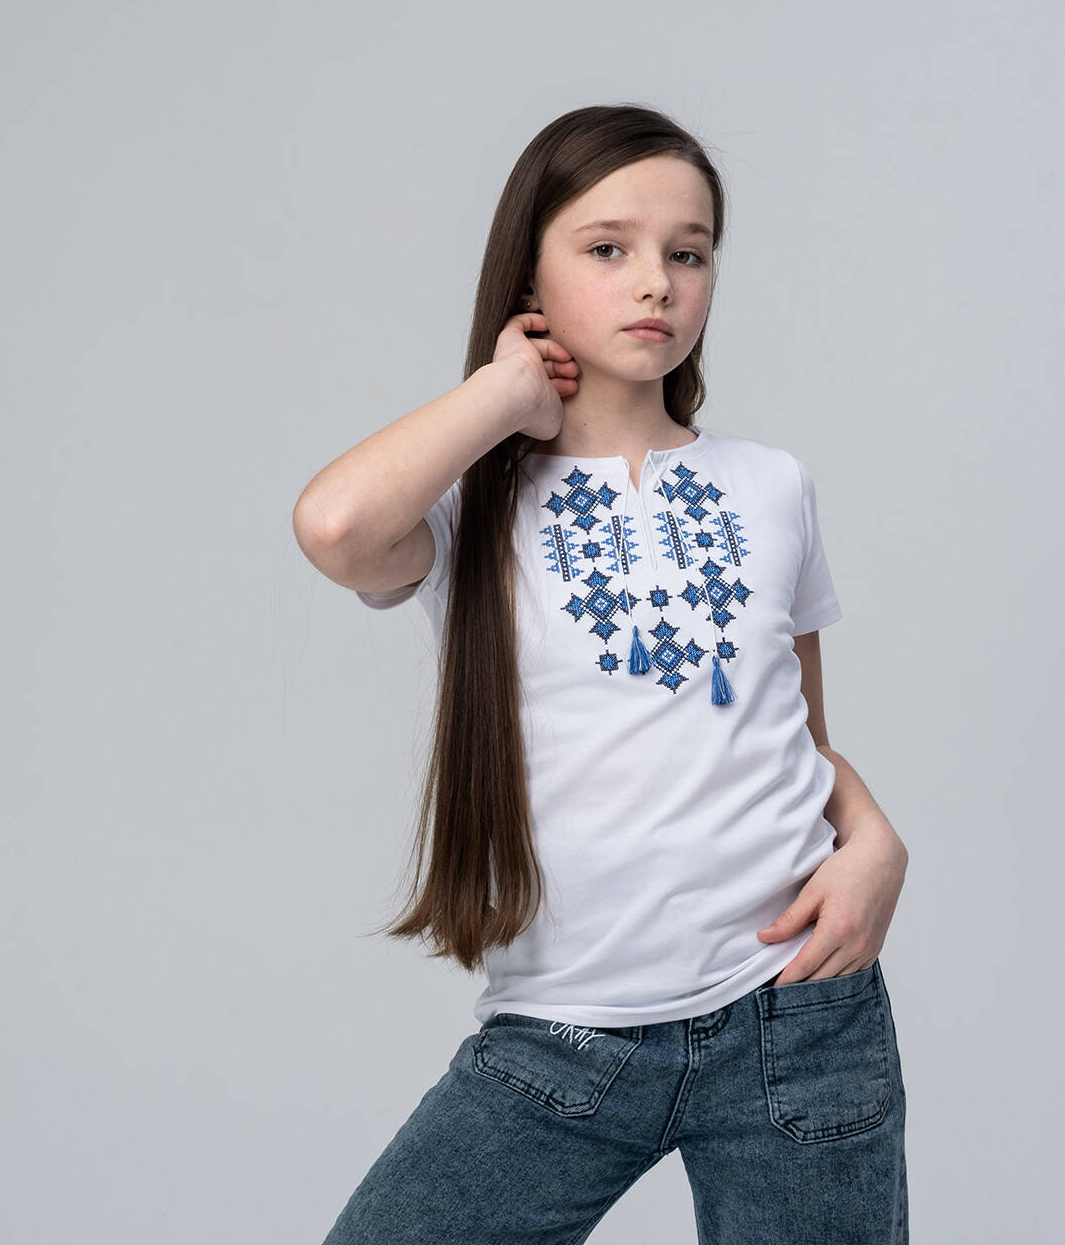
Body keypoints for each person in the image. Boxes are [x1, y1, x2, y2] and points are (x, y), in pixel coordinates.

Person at [294, 103, 911, 1244]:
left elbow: (800, 736)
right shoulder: (468, 503)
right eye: (607, 248)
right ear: (528, 268)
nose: (656, 283)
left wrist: (874, 846)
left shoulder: (771, 485)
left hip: (795, 1015)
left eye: (689, 253)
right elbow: (335, 526)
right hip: (566, 1037)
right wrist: (502, 396)